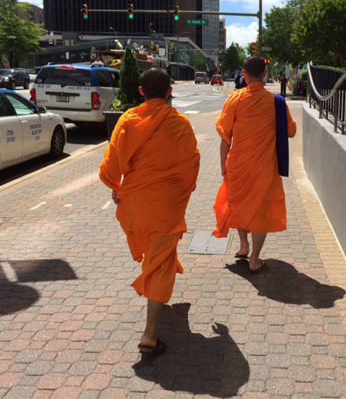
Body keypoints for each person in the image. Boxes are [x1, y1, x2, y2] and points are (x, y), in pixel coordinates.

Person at [99, 67, 200, 356]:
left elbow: (110, 166)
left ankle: (158, 290)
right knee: (159, 262)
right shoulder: (179, 123)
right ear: (170, 91)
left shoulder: (128, 120)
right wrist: (182, 191)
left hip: (135, 203)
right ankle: (149, 335)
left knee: (156, 255)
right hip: (166, 204)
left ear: (141, 92)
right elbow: (192, 162)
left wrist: (117, 188)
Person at [213, 56, 296, 273]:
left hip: (238, 165)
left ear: (244, 74)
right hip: (265, 168)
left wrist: (223, 165)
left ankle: (243, 245)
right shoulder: (277, 103)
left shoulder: (235, 100)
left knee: (238, 204)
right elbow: (291, 130)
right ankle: (254, 258)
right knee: (261, 212)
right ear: (266, 75)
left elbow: (225, 137)